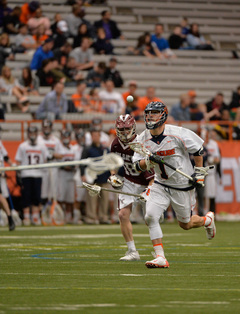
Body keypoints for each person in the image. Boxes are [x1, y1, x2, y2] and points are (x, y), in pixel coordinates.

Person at [132, 101, 216, 268]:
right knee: (150, 216)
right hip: (160, 184)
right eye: (148, 113)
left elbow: (198, 149)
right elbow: (136, 166)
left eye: (154, 113)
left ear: (163, 115)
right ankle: (160, 256)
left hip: (181, 185)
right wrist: (148, 161)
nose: (150, 116)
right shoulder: (142, 138)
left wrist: (199, 173)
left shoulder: (177, 133)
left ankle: (207, 220)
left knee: (185, 224)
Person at [109, 114, 154, 260]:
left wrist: (149, 190)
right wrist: (113, 175)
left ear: (133, 127)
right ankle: (132, 251)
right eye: (121, 129)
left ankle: (158, 251)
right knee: (122, 215)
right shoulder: (115, 144)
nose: (124, 132)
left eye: (127, 128)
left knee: (151, 219)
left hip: (148, 181)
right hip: (129, 181)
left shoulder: (141, 144)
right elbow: (113, 162)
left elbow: (152, 173)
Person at [15, 126, 49, 225]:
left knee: (36, 197)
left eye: (34, 133)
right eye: (30, 133)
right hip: (26, 174)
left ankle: (35, 217)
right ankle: (26, 217)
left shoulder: (42, 146)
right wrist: (18, 174)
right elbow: (18, 160)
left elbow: (46, 159)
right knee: (26, 196)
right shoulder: (23, 146)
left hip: (38, 174)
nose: (32, 135)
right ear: (28, 133)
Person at [80, 128, 111, 224]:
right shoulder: (87, 149)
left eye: (97, 135)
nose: (95, 137)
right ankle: (91, 217)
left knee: (104, 200)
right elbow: (82, 163)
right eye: (93, 136)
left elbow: (109, 162)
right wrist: (82, 174)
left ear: (100, 137)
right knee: (91, 200)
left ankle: (103, 217)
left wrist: (111, 175)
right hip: (92, 178)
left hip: (104, 177)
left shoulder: (105, 149)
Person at [37, 119, 61, 205]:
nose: (46, 129)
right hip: (41, 167)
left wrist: (52, 155)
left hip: (53, 166)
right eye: (45, 127)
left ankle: (51, 212)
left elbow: (61, 154)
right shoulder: (38, 139)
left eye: (48, 127)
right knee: (42, 191)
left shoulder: (55, 140)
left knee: (53, 191)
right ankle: (42, 211)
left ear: (51, 128)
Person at [57, 129, 78, 224]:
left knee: (70, 198)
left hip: (71, 175)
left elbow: (76, 162)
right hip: (61, 175)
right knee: (61, 197)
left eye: (67, 137)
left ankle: (69, 216)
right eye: (64, 137)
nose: (66, 139)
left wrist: (71, 166)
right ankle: (61, 215)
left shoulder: (73, 149)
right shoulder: (59, 148)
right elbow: (58, 163)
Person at [0, 129, 15, 231]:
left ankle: (10, 218)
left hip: (0, 171)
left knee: (1, 196)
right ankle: (9, 218)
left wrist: (12, 164)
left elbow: (4, 156)